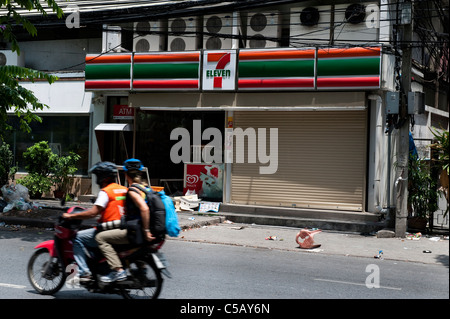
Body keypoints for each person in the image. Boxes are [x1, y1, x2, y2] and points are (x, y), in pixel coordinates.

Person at [95, 158, 158, 283]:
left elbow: (144, 209)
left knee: (101, 238)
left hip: (136, 231)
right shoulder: (146, 188)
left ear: (125, 174)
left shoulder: (133, 190)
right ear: (140, 173)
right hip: (143, 229)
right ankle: (141, 268)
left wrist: (145, 230)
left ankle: (118, 271)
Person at [62, 161, 127, 282]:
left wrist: (71, 216)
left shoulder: (106, 192)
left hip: (109, 230)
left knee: (77, 238)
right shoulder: (124, 189)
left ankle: (84, 272)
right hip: (123, 228)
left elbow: (93, 212)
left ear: (103, 177)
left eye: (98, 175)